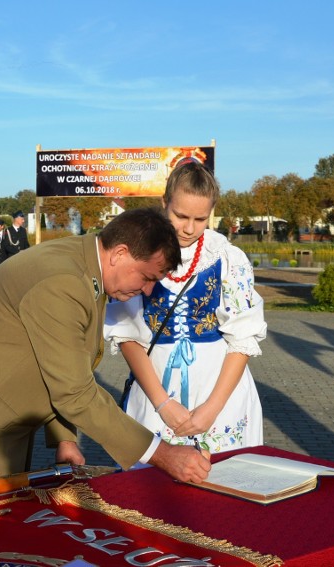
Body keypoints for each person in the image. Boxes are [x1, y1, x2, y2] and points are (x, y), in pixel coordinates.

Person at [0, 207, 212, 488]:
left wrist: (64, 437)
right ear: (120, 252)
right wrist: (163, 454)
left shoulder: (87, 263)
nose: (145, 290)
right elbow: (75, 392)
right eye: (146, 277)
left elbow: (59, 363)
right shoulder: (64, 281)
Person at [104, 159, 266, 454]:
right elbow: (127, 335)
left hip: (220, 392)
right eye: (180, 215)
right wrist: (162, 403)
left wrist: (212, 408)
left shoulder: (228, 258)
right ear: (164, 201)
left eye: (201, 219)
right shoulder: (138, 252)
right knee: (150, 487)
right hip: (155, 392)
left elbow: (242, 339)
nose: (190, 228)